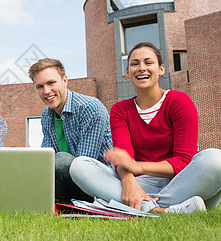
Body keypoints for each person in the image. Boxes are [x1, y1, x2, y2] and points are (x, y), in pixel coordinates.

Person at [71, 42, 221, 214]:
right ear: (127, 73)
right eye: (135, 64)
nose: (141, 68)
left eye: (148, 63)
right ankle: (164, 209)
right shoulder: (120, 110)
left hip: (180, 181)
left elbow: (184, 160)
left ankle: (137, 206)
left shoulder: (179, 102)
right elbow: (124, 158)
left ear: (161, 69)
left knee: (216, 158)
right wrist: (128, 181)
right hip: (140, 183)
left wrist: (138, 167)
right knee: (79, 165)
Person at [28, 58, 113, 201]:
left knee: (61, 160)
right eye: (40, 86)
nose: (46, 91)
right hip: (68, 179)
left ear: (65, 81)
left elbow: (84, 164)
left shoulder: (90, 107)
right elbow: (47, 158)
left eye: (51, 83)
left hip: (101, 182)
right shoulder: (46, 115)